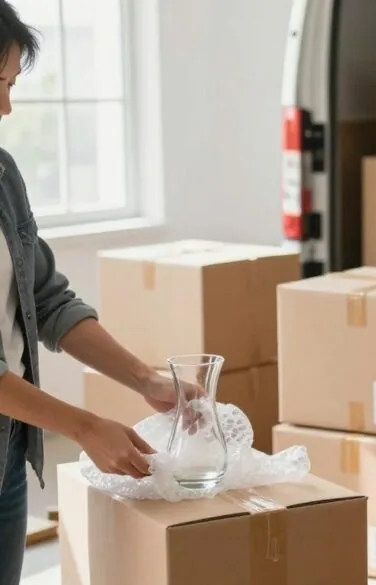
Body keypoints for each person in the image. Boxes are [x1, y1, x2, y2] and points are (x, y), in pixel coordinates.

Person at [0, 4, 200, 582]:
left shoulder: (2, 175)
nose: (6, 108)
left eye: (11, 86)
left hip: (8, 451)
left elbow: (47, 299)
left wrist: (146, 379)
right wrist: (86, 427)